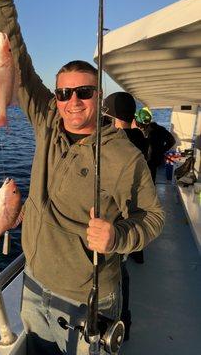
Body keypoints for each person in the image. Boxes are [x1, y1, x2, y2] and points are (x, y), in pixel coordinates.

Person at [0, 0, 164, 354]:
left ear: (97, 97)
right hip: (34, 282)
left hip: (87, 298)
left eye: (84, 92)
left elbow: (154, 218)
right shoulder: (47, 120)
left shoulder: (121, 156)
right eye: (64, 93)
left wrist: (118, 236)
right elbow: (16, 64)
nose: (72, 102)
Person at [103, 92, 149, 340]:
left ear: (112, 116)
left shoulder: (121, 142)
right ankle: (124, 321)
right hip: (133, 212)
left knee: (119, 273)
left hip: (119, 220)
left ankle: (121, 323)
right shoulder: (139, 137)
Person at [135, 107, 176, 183]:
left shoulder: (159, 130)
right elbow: (172, 141)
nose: (139, 126)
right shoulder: (139, 132)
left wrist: (161, 150)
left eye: (139, 124)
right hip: (144, 161)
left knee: (149, 181)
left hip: (151, 162)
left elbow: (172, 141)